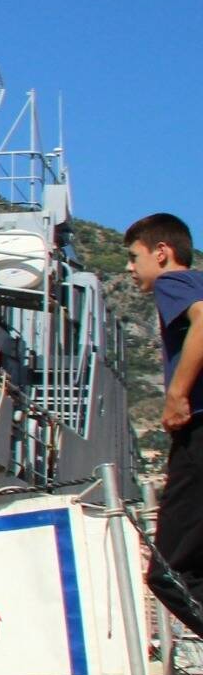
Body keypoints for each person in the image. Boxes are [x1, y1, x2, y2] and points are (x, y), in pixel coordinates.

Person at [126, 212, 203, 636]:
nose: (130, 268)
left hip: (198, 437)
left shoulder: (174, 281)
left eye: (135, 257)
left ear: (162, 252)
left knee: (168, 573)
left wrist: (176, 395)